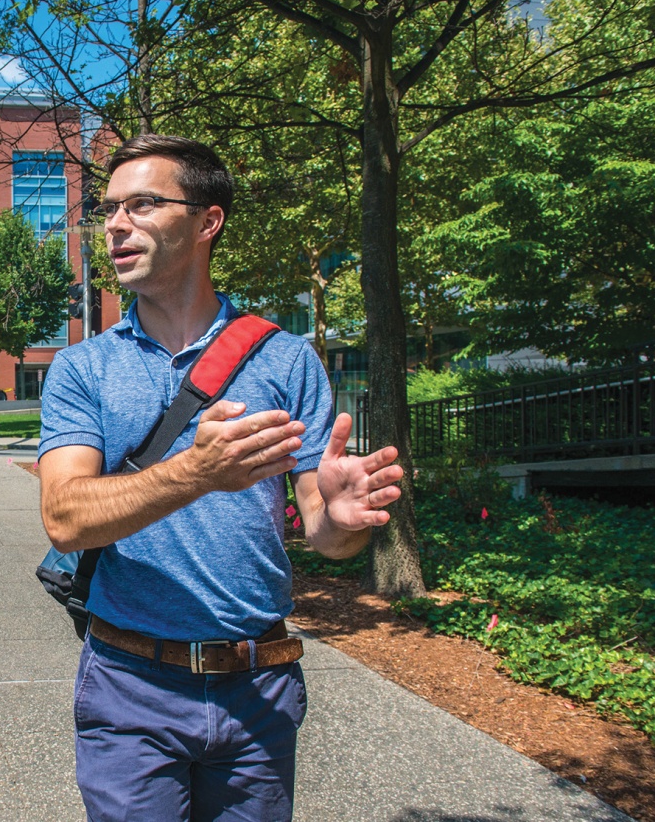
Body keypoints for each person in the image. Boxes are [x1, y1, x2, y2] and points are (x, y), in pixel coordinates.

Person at [38, 135, 403, 822]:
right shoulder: (83, 369)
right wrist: (196, 472)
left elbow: (323, 536)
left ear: (208, 222)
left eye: (142, 204)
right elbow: (65, 516)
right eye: (109, 209)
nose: (114, 224)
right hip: (130, 687)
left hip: (258, 687)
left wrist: (344, 521)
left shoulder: (287, 360)